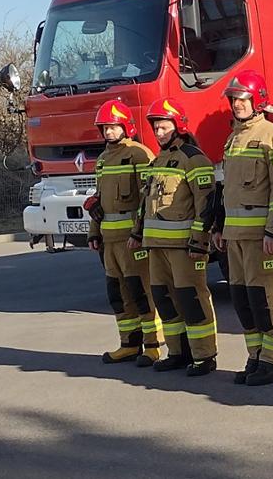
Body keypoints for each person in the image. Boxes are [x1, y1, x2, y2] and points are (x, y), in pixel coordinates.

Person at [218, 69, 273, 386]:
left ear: (258, 100)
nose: (237, 105)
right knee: (244, 299)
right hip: (235, 237)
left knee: (266, 298)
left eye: (242, 99)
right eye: (234, 99)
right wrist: (219, 228)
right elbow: (228, 190)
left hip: (260, 238)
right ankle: (255, 357)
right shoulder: (232, 139)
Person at [133, 98, 220, 376]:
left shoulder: (194, 158)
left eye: (164, 127)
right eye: (156, 128)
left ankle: (204, 356)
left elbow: (206, 203)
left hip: (184, 247)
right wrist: (137, 233)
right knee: (165, 299)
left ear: (178, 126)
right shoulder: (158, 160)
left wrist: (199, 241)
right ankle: (178, 352)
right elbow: (146, 200)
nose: (159, 133)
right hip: (156, 247)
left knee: (191, 299)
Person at [85, 100, 158, 365]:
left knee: (141, 291)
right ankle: (128, 344)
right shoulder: (103, 159)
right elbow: (99, 199)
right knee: (117, 294)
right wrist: (94, 232)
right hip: (109, 240)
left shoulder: (140, 155)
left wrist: (139, 234)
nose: (108, 133)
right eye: (104, 128)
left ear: (125, 127)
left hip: (131, 241)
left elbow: (147, 199)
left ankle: (152, 346)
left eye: (113, 127)